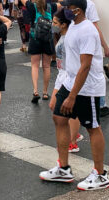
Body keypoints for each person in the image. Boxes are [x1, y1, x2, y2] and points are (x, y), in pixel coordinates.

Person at [40, 0, 109, 190]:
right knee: (59, 118)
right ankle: (63, 168)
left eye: (67, 7)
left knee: (92, 127)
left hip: (87, 88)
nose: (64, 10)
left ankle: (100, 174)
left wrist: (72, 97)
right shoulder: (73, 27)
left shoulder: (87, 30)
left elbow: (85, 66)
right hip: (70, 82)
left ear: (77, 10)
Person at [18, 0, 59, 104]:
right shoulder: (51, 7)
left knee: (35, 66)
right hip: (48, 38)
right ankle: (45, 92)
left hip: (35, 38)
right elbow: (63, 2)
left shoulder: (31, 6)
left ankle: (35, 91)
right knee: (46, 66)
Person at [49, 9, 82, 153]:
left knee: (66, 109)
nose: (52, 24)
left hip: (68, 75)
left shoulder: (70, 37)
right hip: (61, 73)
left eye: (55, 22)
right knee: (55, 107)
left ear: (63, 24)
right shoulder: (62, 36)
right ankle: (74, 133)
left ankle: (72, 141)